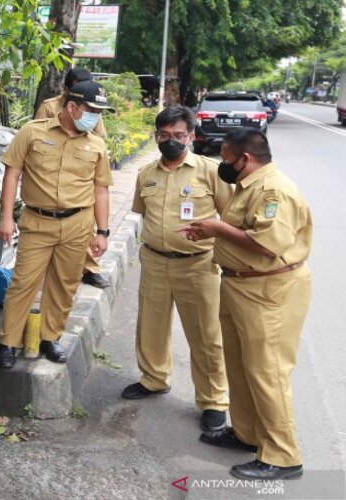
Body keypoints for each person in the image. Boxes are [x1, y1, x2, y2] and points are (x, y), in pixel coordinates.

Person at [180, 128, 312, 480]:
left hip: (268, 289)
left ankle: (284, 456)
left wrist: (218, 229)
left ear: (245, 159)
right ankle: (248, 434)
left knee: (267, 372)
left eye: (226, 159)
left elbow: (269, 244)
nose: (223, 165)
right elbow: (245, 230)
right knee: (239, 365)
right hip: (240, 284)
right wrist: (213, 231)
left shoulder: (274, 190)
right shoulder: (249, 186)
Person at [122, 106, 232, 432]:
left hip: (197, 265)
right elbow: (142, 213)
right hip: (154, 260)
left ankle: (213, 400)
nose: (171, 141)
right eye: (165, 135)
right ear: (156, 136)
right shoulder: (146, 174)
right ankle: (154, 378)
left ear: (191, 136)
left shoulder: (210, 172)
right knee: (151, 327)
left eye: (179, 136)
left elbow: (231, 217)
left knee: (206, 335)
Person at [0, 80, 114, 368]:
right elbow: (12, 175)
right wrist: (7, 217)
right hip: (37, 221)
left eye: (100, 112)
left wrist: (102, 232)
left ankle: (50, 338)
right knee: (23, 282)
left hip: (78, 224)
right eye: (91, 110)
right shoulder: (32, 132)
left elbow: (101, 190)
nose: (96, 117)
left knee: (65, 284)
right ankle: (8, 342)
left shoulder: (96, 145)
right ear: (72, 107)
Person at [34, 68, 111, 289]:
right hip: (52, 175)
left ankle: (89, 269)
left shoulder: (91, 108)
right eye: (77, 86)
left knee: (86, 223)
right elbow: (37, 139)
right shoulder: (49, 107)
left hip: (82, 171)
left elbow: (99, 137)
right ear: (67, 88)